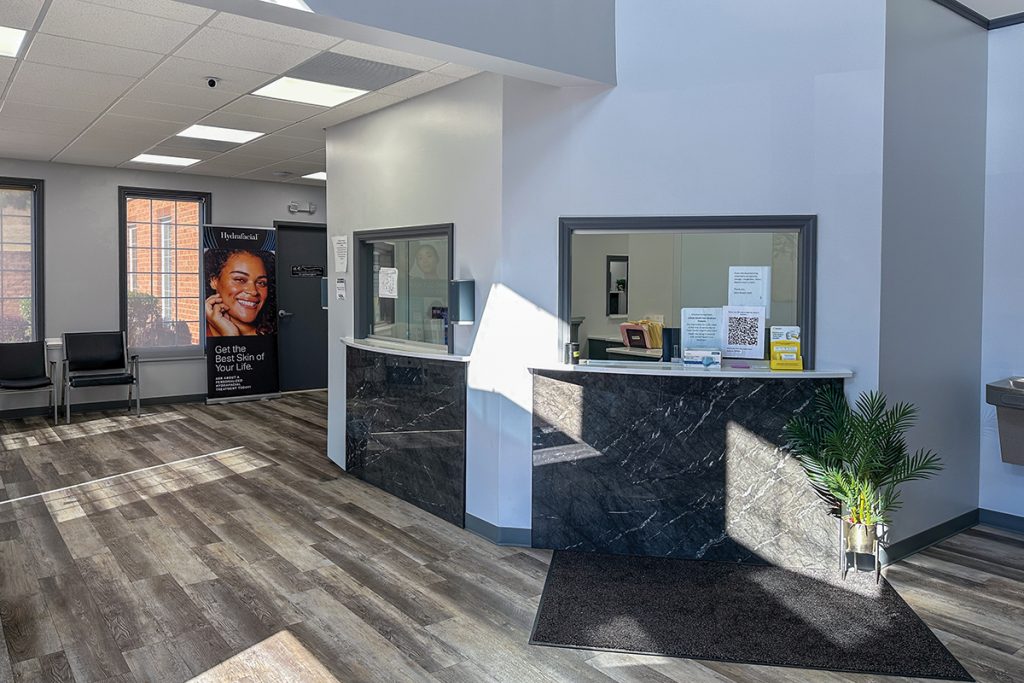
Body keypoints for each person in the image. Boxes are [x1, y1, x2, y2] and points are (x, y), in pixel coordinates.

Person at [204, 249, 276, 337]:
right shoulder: (196, 335)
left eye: (261, 283)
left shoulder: (277, 334)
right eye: (240, 280)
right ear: (214, 281)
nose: (253, 291)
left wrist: (231, 336)